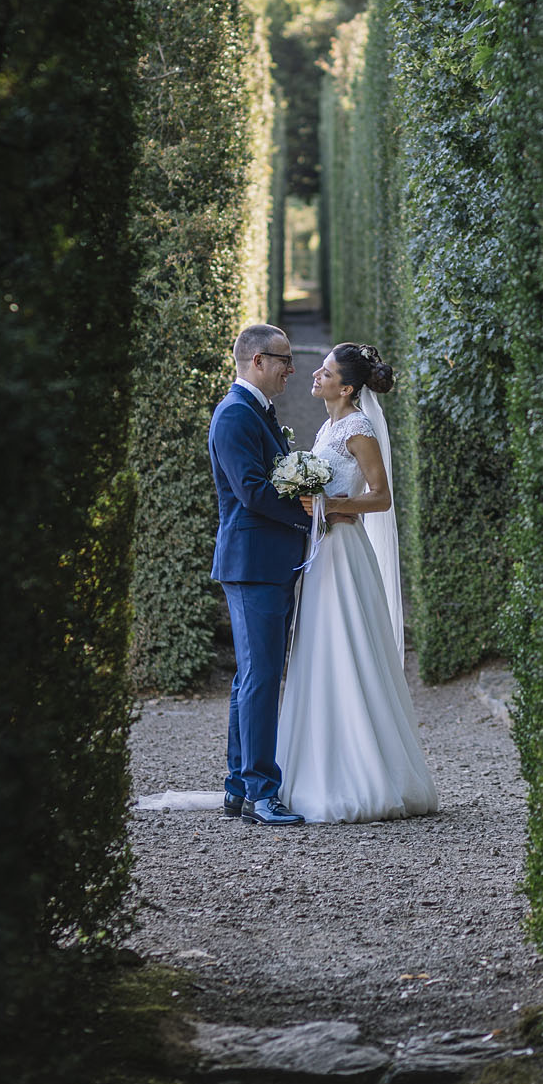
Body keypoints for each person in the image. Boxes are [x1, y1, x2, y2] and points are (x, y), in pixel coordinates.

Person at [277, 343, 439, 824]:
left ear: (346, 387)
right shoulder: (328, 426)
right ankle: (316, 766)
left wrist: (335, 507)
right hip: (322, 550)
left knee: (348, 646)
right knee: (320, 649)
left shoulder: (359, 429)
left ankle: (363, 771)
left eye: (324, 372)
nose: (315, 375)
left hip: (345, 551)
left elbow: (382, 497)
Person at [208, 323, 312, 827]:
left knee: (253, 677)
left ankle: (237, 787)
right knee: (262, 678)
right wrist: (308, 514)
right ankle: (261, 793)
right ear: (257, 362)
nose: (291, 369)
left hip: (267, 562)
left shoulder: (257, 413)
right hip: (252, 565)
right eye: (284, 359)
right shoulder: (234, 415)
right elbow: (251, 491)